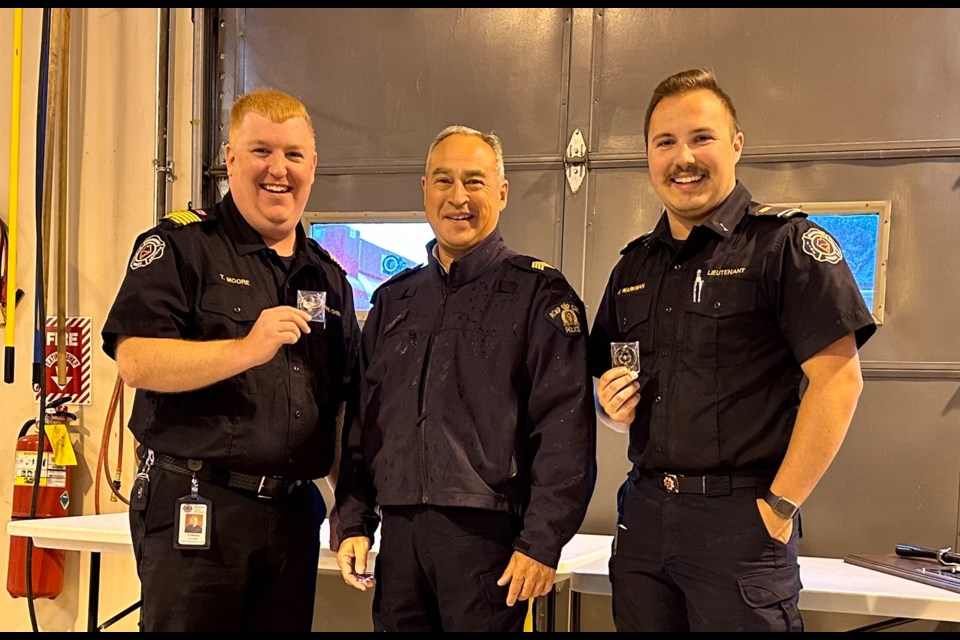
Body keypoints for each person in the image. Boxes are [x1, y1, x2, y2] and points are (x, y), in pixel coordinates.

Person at [587, 69, 877, 632]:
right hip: (644, 521)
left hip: (740, 525)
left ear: (736, 144)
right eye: (665, 142)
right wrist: (609, 407)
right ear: (648, 155)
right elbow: (608, 387)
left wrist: (780, 507)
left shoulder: (784, 246)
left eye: (701, 137)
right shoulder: (633, 267)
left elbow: (839, 382)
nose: (683, 158)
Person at [101, 88, 359, 632]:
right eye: (261, 151)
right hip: (198, 510)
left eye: (293, 155)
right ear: (230, 158)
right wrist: (247, 350)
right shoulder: (182, 246)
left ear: (313, 166)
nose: (278, 171)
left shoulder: (328, 277)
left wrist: (351, 509)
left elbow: (336, 406)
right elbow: (136, 361)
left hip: (292, 517)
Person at [333, 125, 597, 632]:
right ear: (425, 190)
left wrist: (542, 542)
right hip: (401, 542)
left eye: (474, 182)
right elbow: (363, 425)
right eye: (443, 181)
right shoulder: (394, 301)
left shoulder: (539, 295)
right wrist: (352, 521)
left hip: (490, 547)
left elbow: (566, 432)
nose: (458, 198)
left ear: (501, 192)